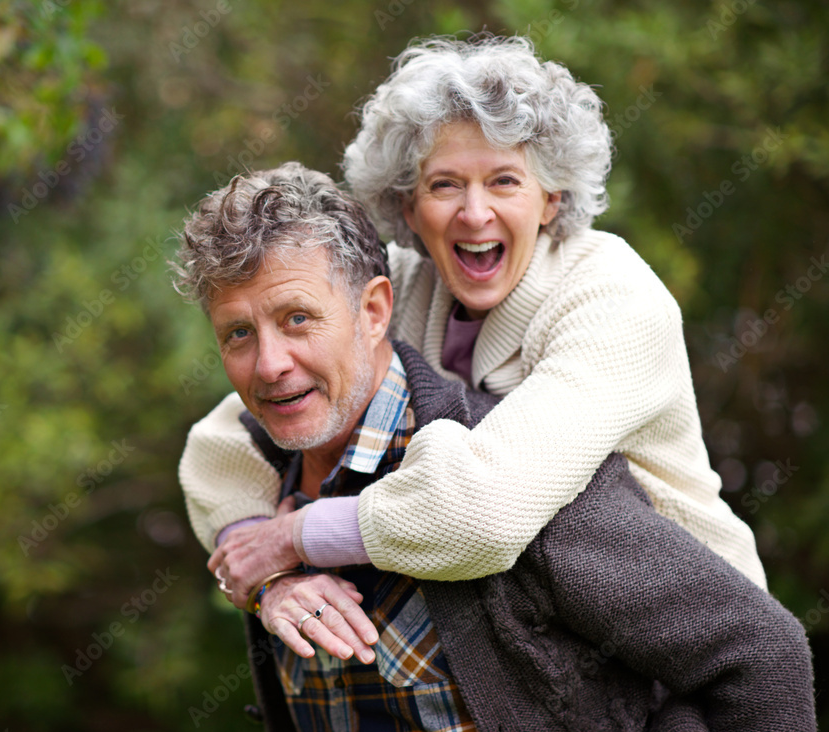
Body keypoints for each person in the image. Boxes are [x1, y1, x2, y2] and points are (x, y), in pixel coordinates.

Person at [172, 162, 816, 732]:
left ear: (373, 312)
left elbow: (763, 652)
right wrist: (273, 571)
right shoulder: (267, 475)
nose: (271, 365)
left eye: (297, 319)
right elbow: (211, 453)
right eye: (238, 334)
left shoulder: (521, 479)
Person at [180, 35, 768, 612]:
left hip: (694, 632)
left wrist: (291, 536)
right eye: (445, 185)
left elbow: (486, 513)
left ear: (551, 200)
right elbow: (225, 440)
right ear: (407, 206)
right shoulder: (403, 285)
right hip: (557, 635)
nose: (475, 212)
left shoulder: (612, 296)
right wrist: (256, 556)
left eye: (505, 180)